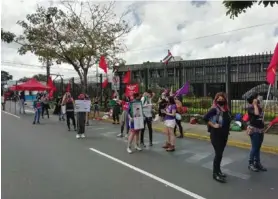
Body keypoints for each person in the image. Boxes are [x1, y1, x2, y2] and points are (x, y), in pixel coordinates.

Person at [203, 92, 231, 183]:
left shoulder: (226, 109)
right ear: (216, 100)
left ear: (225, 100)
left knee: (220, 154)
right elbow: (205, 118)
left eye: (222, 99)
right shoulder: (214, 109)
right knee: (218, 154)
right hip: (216, 134)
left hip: (224, 134)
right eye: (218, 99)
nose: (220, 100)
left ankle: (219, 171)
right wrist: (213, 125)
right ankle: (215, 174)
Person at [246, 92, 267, 172]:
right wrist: (255, 105)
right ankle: (250, 163)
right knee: (254, 147)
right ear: (253, 99)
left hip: (260, 130)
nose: (259, 98)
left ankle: (257, 163)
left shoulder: (258, 107)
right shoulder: (251, 107)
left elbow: (260, 116)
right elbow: (256, 113)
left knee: (258, 147)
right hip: (254, 130)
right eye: (257, 97)